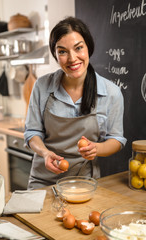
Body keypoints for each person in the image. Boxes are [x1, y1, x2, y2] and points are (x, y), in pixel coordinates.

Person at [24, 16, 127, 189]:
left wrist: (97, 149)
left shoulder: (111, 93)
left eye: (78, 48)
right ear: (55, 54)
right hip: (42, 181)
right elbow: (32, 132)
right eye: (62, 51)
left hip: (84, 182)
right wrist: (45, 153)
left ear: (88, 48)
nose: (72, 58)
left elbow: (116, 139)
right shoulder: (41, 86)